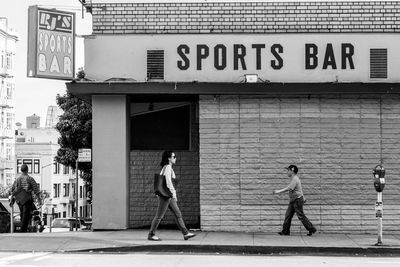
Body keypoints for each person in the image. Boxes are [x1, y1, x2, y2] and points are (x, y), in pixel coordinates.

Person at [148, 151, 196, 241]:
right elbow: (168, 182)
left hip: (168, 195)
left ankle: (185, 233)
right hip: (166, 195)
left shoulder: (167, 167)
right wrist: (174, 194)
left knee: (177, 214)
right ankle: (151, 234)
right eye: (174, 156)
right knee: (159, 216)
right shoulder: (168, 167)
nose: (175, 158)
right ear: (169, 158)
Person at [273, 165, 316, 236]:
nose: (287, 172)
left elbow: (289, 188)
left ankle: (311, 229)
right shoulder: (295, 179)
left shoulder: (295, 179)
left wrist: (278, 191)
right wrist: (303, 197)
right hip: (294, 200)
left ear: (292, 171)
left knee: (300, 216)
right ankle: (285, 231)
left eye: (288, 170)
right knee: (288, 215)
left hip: (297, 200)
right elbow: (299, 189)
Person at [10, 164, 41, 232]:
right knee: (25, 215)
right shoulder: (30, 179)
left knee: (22, 214)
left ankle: (23, 229)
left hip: (19, 200)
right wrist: (39, 199)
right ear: (27, 170)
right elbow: (36, 189)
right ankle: (23, 230)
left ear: (21, 170)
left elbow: (12, 190)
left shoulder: (17, 179)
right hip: (27, 199)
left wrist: (13, 198)